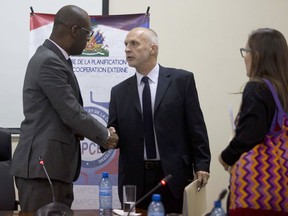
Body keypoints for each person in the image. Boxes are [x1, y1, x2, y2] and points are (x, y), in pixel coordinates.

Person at [10, 5, 118, 212]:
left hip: (53, 167)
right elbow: (70, 112)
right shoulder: (49, 61)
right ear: (74, 31)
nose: (89, 40)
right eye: (88, 34)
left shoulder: (55, 59)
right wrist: (105, 135)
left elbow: (60, 114)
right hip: (42, 170)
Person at [106, 27, 211, 213]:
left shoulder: (181, 80)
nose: (127, 49)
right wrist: (110, 135)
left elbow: (196, 126)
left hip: (173, 175)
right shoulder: (119, 91)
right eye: (125, 44)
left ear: (153, 48)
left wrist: (202, 164)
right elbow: (114, 131)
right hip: (134, 179)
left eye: (134, 44)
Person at [219, 28, 288, 216]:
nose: (245, 58)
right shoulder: (283, 89)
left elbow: (251, 133)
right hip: (281, 192)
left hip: (256, 194)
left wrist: (227, 156)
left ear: (257, 56)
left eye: (246, 51)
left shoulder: (257, 87)